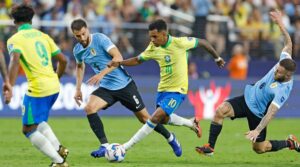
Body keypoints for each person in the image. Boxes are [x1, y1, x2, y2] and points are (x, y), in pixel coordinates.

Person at [71, 19, 200, 158]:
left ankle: (170, 137)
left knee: (146, 118)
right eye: (78, 36)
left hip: (125, 85)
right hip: (106, 87)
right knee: (89, 108)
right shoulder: (77, 50)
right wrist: (78, 89)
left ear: (87, 29)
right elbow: (80, 66)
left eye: (84, 34)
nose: (82, 38)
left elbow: (118, 57)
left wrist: (101, 74)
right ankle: (105, 146)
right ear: (74, 35)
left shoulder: (100, 39)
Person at [108, 19, 225, 154]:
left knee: (155, 118)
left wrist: (217, 58)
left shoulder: (180, 43)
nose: (152, 40)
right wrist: (120, 63)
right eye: (150, 36)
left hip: (178, 91)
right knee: (163, 119)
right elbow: (137, 60)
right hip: (162, 90)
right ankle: (190, 123)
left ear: (164, 34)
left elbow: (203, 42)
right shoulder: (153, 47)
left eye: (155, 36)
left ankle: (124, 147)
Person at [195, 10, 299, 156]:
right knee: (220, 111)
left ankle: (289, 143)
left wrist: (257, 130)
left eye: (279, 73)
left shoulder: (283, 90)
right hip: (247, 98)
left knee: (259, 149)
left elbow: (271, 113)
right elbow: (288, 43)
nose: (275, 72)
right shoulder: (284, 61)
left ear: (288, 75)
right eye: (277, 69)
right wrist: (280, 23)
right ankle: (210, 148)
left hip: (258, 113)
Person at [6, 4, 68, 167]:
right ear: (31, 20)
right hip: (54, 86)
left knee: (28, 129)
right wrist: (57, 77)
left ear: (14, 21)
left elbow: (14, 61)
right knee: (38, 120)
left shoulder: (14, 40)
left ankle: (59, 162)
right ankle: (59, 149)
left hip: (38, 89)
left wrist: (10, 86)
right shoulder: (43, 36)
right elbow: (63, 60)